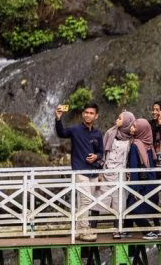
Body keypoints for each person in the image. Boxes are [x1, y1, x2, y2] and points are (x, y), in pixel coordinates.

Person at [55, 102, 104, 242]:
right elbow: (61, 133)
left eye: (91, 113)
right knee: (86, 200)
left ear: (96, 116)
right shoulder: (75, 130)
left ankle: (77, 230)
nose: (88, 115)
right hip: (80, 170)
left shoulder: (97, 133)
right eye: (86, 113)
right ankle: (84, 230)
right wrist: (58, 118)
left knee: (85, 202)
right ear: (83, 114)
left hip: (93, 172)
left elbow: (101, 152)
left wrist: (96, 156)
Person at [124, 118, 161, 240]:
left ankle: (149, 231)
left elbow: (134, 167)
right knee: (148, 205)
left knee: (132, 208)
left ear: (141, 130)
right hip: (150, 180)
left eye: (134, 126)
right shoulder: (148, 144)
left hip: (140, 182)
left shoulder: (135, 145)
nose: (131, 128)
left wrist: (134, 187)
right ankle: (127, 229)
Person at [101, 111, 135, 238]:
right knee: (98, 200)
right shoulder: (110, 133)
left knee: (119, 202)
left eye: (120, 118)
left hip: (121, 173)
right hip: (106, 171)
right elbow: (103, 150)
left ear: (126, 122)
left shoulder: (131, 139)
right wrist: (100, 170)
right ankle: (92, 228)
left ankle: (117, 229)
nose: (117, 119)